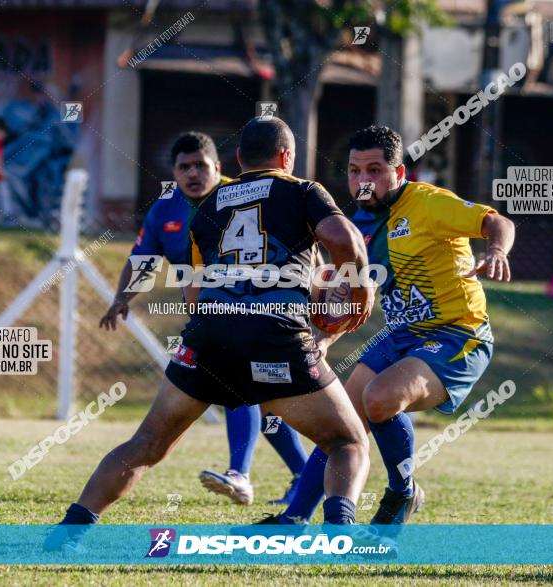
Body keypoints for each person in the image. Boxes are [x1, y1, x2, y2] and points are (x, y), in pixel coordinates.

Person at [44, 117, 373, 551]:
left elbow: (195, 294)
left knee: (147, 443)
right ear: (287, 158)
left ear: (237, 160)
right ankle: (340, 536)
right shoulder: (302, 190)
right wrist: (360, 289)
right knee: (346, 440)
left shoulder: (208, 207)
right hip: (275, 337)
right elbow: (344, 236)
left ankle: (69, 532)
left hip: (207, 336)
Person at [258, 125, 515, 531]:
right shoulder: (358, 223)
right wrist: (326, 337)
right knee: (338, 423)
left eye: (375, 170)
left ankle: (402, 491)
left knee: (379, 399)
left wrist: (496, 249)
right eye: (355, 170)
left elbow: (495, 221)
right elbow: (364, 294)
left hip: (457, 335)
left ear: (399, 172)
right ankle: (293, 519)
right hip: (400, 337)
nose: (363, 180)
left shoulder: (429, 202)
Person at [101, 131, 308, 506]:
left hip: (263, 313)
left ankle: (243, 475)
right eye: (184, 167)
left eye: (201, 165)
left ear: (218, 166)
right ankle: (306, 477)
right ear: (174, 173)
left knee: (240, 385)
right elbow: (144, 259)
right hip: (207, 318)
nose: (193, 173)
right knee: (264, 400)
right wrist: (121, 298)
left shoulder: (244, 195)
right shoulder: (164, 210)